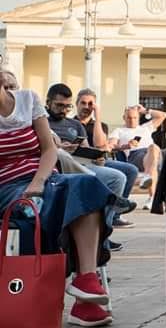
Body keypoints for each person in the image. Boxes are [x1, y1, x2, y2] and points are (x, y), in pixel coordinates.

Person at [0, 74, 116, 326]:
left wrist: (38, 181)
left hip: (45, 178)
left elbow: (49, 148)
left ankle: (86, 281)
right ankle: (84, 301)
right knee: (53, 206)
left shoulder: (27, 99)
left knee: (85, 186)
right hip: (7, 187)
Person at [45, 84, 137, 232]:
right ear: (48, 103)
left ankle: (105, 231)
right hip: (57, 164)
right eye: (59, 105)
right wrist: (60, 147)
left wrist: (95, 157)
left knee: (118, 177)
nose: (63, 110)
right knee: (64, 156)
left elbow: (87, 149)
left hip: (82, 163)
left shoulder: (75, 124)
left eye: (67, 106)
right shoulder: (42, 122)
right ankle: (109, 197)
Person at [74, 88, 140, 230]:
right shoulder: (71, 123)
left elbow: (100, 145)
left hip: (101, 161)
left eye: (90, 104)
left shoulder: (100, 125)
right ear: (76, 104)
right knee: (117, 175)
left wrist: (97, 117)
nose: (86, 107)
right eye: (83, 103)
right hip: (81, 162)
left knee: (131, 170)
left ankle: (115, 215)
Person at [108, 104, 166, 200]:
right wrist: (126, 146)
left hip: (153, 154)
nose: (132, 120)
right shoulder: (119, 131)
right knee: (153, 160)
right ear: (124, 118)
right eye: (129, 118)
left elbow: (163, 115)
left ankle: (147, 178)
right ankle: (152, 198)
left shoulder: (146, 127)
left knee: (154, 149)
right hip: (135, 155)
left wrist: (145, 110)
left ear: (138, 118)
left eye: (135, 118)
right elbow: (111, 146)